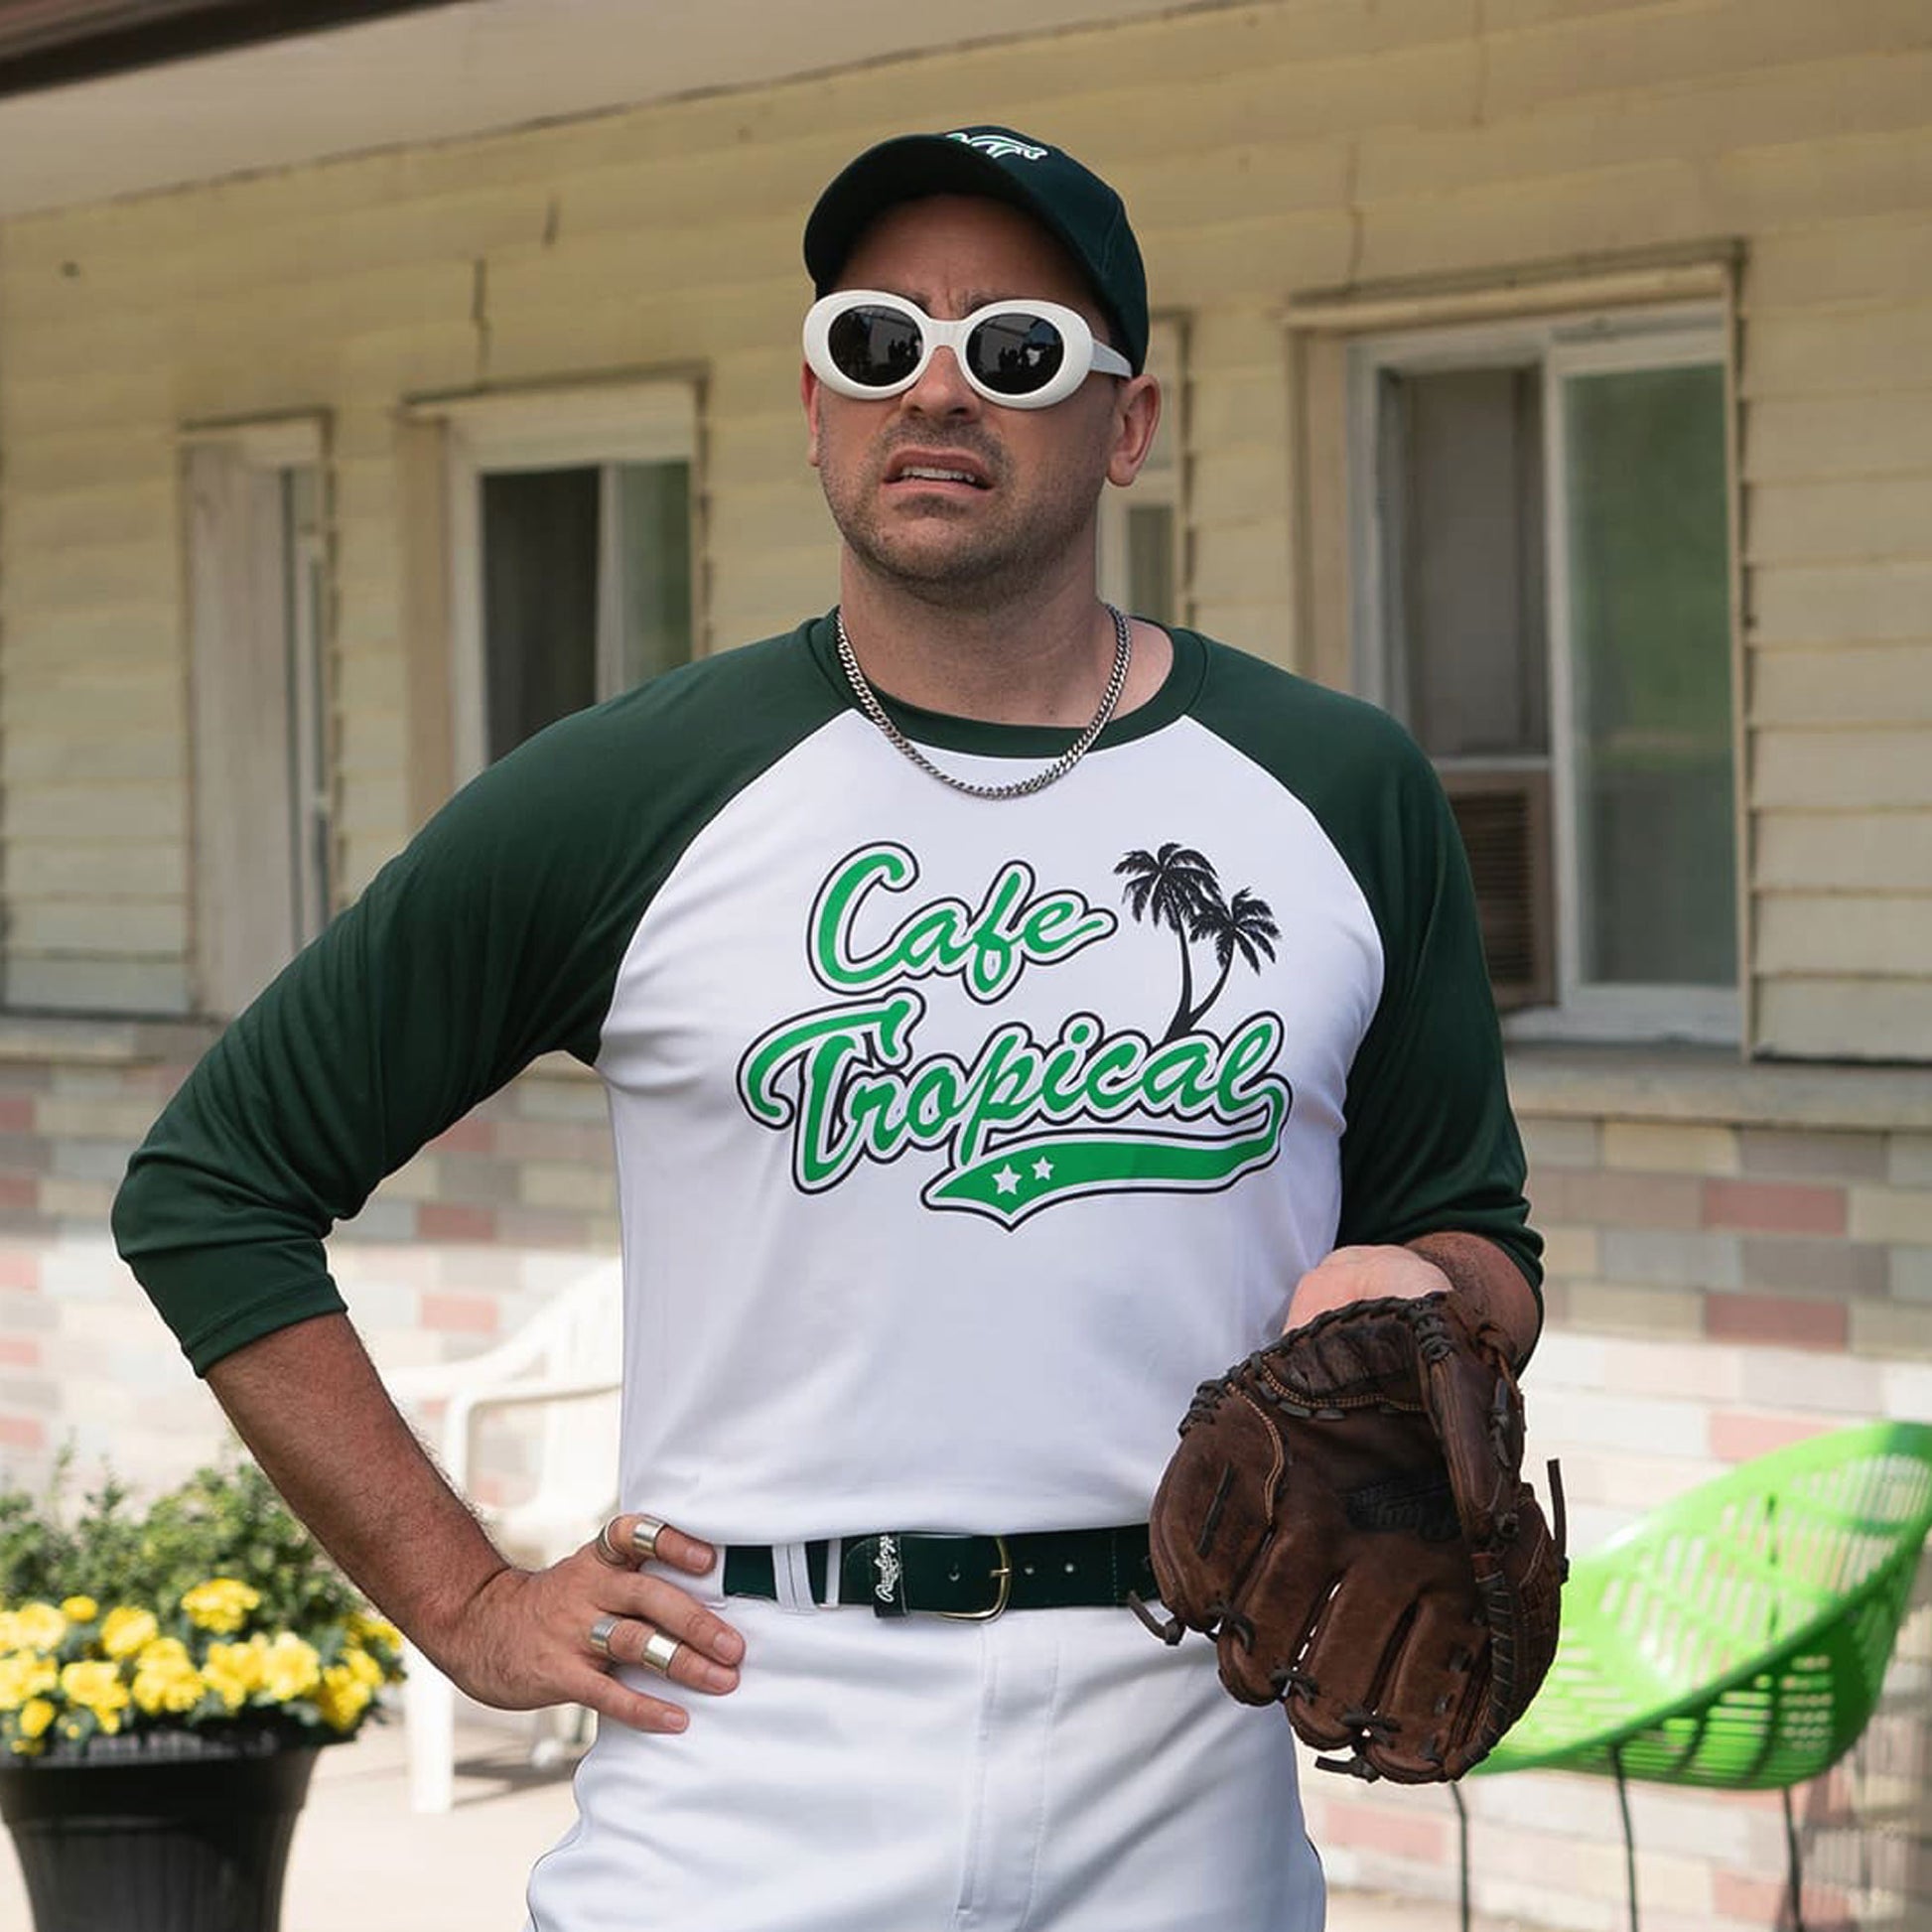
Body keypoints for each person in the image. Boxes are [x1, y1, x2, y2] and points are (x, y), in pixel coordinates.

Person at [113, 124, 1541, 1931]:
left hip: (1183, 1747)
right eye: (879, 341)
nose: (935, 392)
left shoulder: (1338, 789)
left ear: (1125, 423)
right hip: (744, 1747)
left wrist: (1420, 1291)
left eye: (1014, 349)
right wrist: (466, 1603)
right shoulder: (635, 788)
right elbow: (213, 1183)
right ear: (811, 404)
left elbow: (1482, 1248)